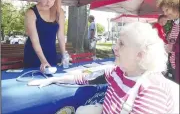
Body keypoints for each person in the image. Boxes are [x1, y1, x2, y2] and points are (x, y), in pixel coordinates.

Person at [28, 22, 178, 114]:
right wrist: (55, 78)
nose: (114, 48)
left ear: (140, 55)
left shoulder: (152, 91)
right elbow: (85, 77)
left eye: (122, 44)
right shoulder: (118, 72)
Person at [24, 0, 66, 72]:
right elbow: (34, 40)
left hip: (51, 52)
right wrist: (43, 61)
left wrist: (64, 55)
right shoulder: (31, 12)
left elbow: (61, 36)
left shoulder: (60, 12)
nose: (48, 2)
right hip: (34, 53)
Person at [157, 0, 179, 82]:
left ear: (176, 6)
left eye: (167, 10)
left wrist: (172, 47)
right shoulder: (175, 23)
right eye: (163, 11)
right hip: (175, 66)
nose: (165, 14)